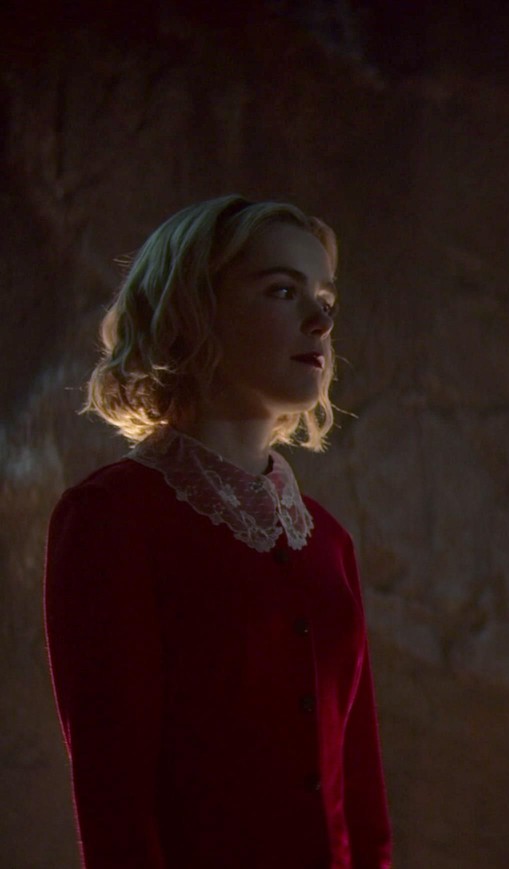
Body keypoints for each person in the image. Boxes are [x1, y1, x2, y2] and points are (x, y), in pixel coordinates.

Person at [44, 195, 394, 867]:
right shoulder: (112, 517)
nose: (321, 320)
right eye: (283, 290)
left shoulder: (327, 541)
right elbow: (115, 801)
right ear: (193, 310)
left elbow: (360, 793)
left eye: (325, 298)